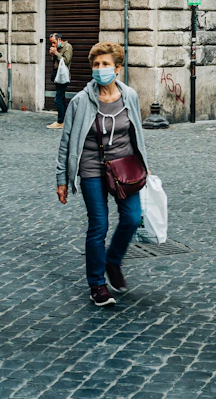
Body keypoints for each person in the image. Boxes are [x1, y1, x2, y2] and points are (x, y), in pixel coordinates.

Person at [56, 42, 149, 308]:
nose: (100, 69)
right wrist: (62, 179)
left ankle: (113, 260)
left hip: (125, 167)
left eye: (106, 64)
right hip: (91, 168)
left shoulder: (129, 95)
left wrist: (145, 164)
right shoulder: (81, 101)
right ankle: (97, 284)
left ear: (118, 68)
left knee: (131, 218)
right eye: (96, 65)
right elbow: (66, 142)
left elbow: (137, 134)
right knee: (98, 225)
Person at [47, 33, 73, 130]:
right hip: (57, 75)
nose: (53, 45)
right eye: (51, 43)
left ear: (59, 40)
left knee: (58, 99)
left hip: (63, 76)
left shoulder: (67, 47)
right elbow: (55, 62)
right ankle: (64, 120)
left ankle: (60, 121)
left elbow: (66, 61)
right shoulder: (56, 48)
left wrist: (56, 53)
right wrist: (53, 54)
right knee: (61, 98)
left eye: (54, 42)